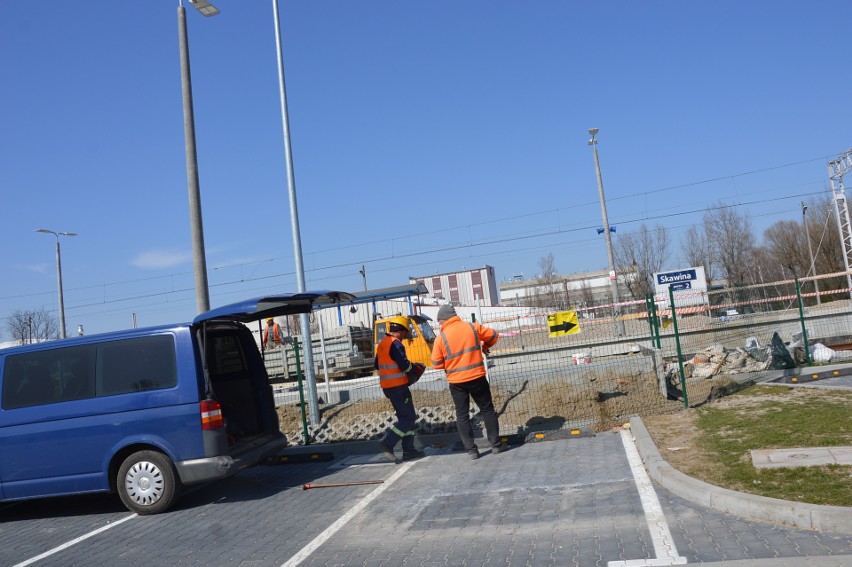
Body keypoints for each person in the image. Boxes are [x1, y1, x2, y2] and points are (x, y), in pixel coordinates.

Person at [431, 304, 507, 460]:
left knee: (462, 415)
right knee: (487, 410)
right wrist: (485, 346)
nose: (440, 325)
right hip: (477, 377)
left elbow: (436, 364)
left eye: (440, 322)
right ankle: (496, 445)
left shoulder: (441, 337)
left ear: (444, 320)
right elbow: (494, 336)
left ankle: (472, 451)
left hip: (457, 382)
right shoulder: (472, 328)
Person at [375, 316, 426, 462]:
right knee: (408, 418)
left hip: (389, 387)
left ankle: (409, 450)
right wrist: (415, 368)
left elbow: (377, 365)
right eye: (406, 333)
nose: (406, 336)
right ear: (401, 330)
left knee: (407, 417)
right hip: (398, 387)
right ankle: (388, 443)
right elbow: (404, 365)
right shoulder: (396, 344)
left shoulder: (383, 343)